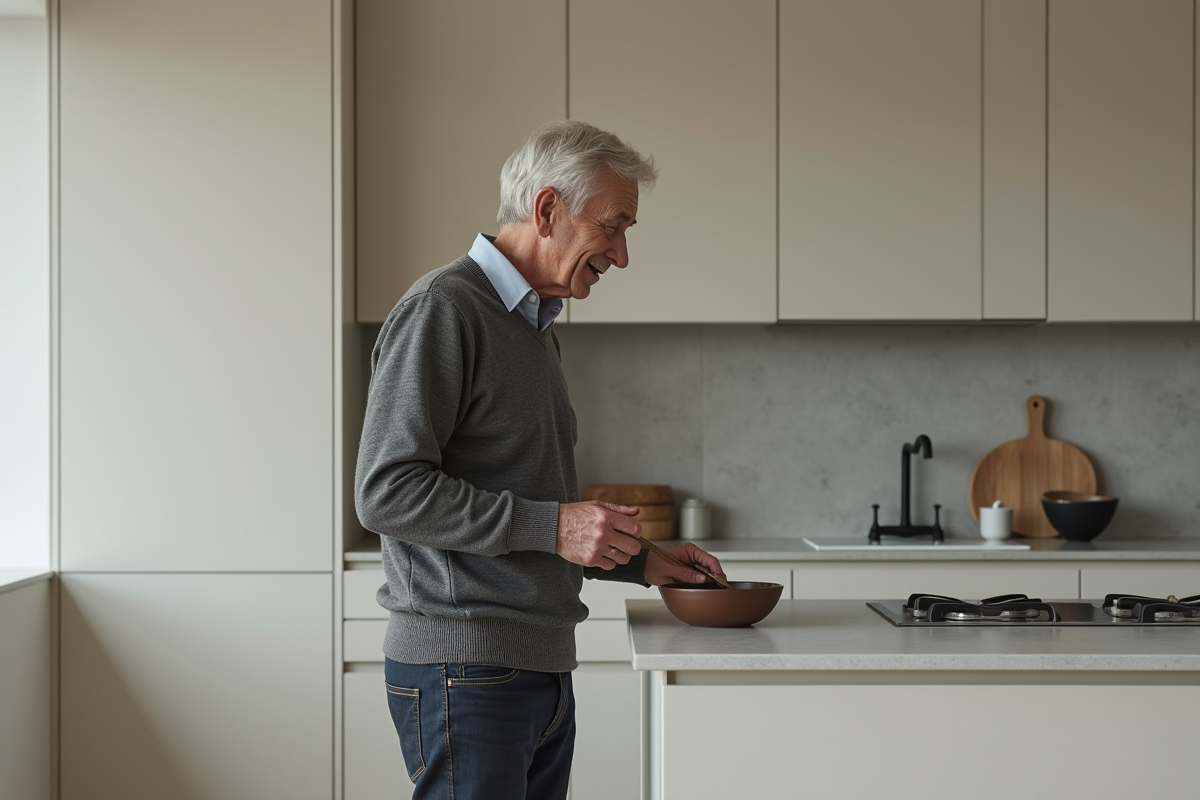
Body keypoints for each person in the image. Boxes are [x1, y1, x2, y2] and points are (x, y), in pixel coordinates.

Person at [354, 120, 727, 800]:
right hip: (464, 667)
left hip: (535, 668)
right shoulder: (446, 308)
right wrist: (555, 527)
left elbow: (529, 494)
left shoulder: (530, 327)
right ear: (548, 208)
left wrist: (645, 563)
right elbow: (387, 491)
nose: (621, 254)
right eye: (613, 226)